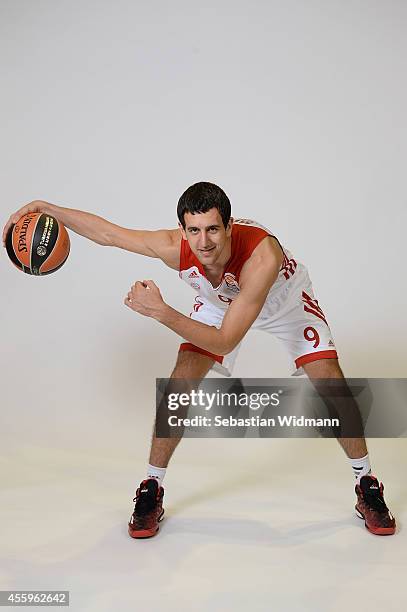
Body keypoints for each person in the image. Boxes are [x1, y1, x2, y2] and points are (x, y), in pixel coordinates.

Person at [2, 182, 396, 538]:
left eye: (212, 229)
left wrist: (162, 312)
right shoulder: (176, 247)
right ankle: (152, 487)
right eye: (193, 230)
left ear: (228, 227)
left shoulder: (262, 257)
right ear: (183, 230)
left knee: (331, 382)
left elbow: (227, 338)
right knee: (179, 386)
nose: (203, 241)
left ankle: (366, 483)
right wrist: (47, 206)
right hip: (219, 301)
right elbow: (109, 235)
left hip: (283, 303)